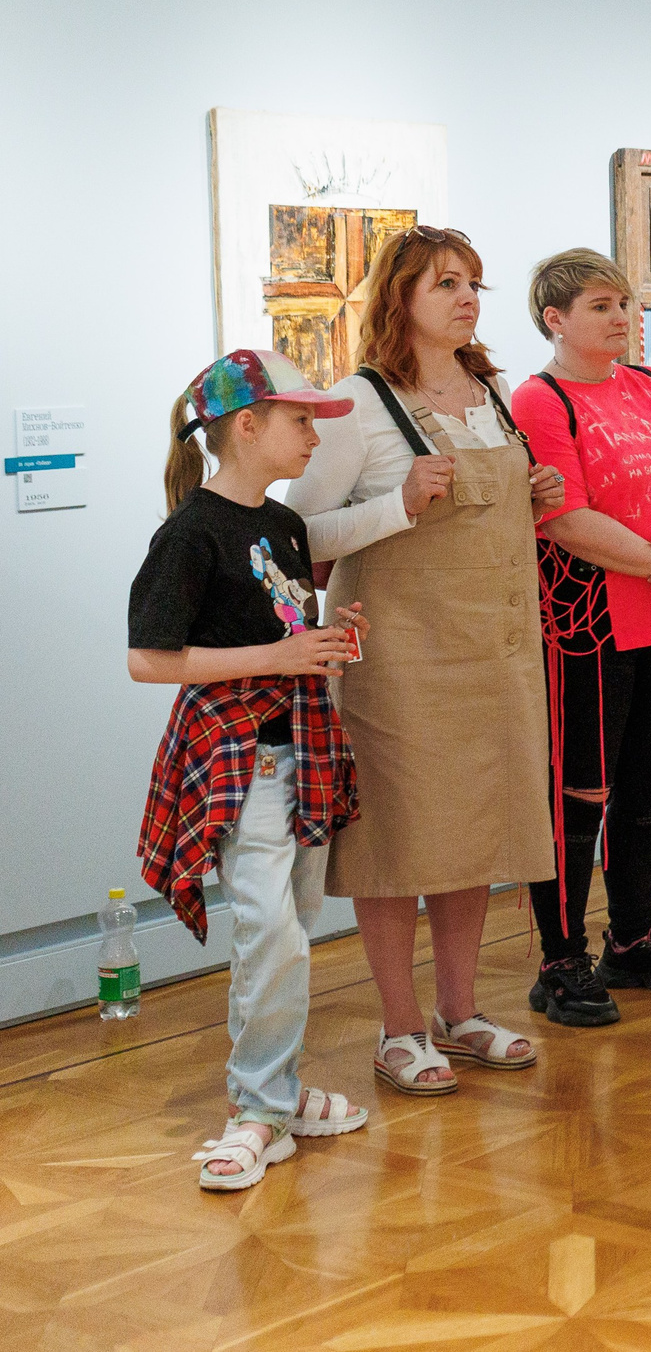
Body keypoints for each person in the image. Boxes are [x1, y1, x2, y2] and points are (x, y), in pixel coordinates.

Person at [288, 227, 556, 1096]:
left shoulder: (494, 391)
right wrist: (396, 506)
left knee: (473, 832)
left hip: (496, 654)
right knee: (398, 840)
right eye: (446, 283)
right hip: (398, 663)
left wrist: (536, 495)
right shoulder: (357, 404)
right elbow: (295, 537)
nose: (468, 297)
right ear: (400, 297)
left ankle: (459, 1011)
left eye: (473, 282)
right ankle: (398, 1027)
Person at [128, 350, 373, 1190]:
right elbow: (148, 659)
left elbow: (283, 631)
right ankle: (259, 1110)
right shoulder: (190, 533)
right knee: (271, 932)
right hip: (244, 762)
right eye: (300, 419)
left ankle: (276, 1093)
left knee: (287, 932)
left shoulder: (285, 525)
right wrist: (283, 654)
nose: (313, 436)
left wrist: (326, 641)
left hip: (302, 750)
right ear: (246, 425)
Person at [510, 249, 651, 1026]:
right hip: (590, 623)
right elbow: (564, 517)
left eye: (624, 302)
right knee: (578, 796)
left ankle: (631, 940)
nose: (620, 316)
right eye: (601, 305)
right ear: (556, 319)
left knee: (645, 792)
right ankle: (560, 960)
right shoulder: (538, 400)